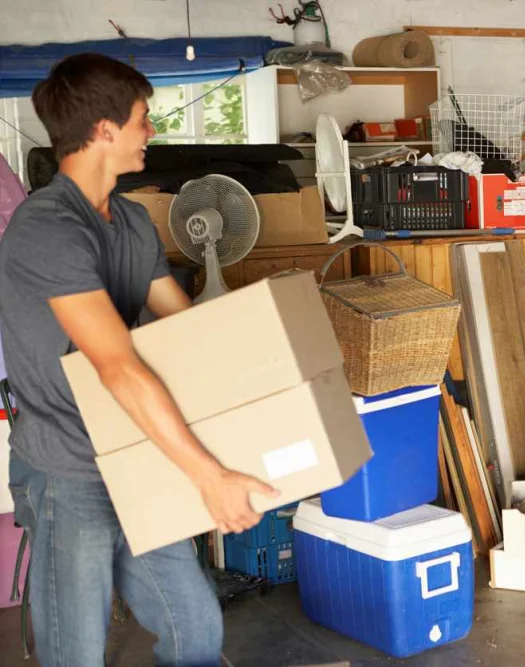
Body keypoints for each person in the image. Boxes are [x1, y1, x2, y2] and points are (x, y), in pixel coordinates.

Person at [0, 54, 278, 666]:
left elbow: (183, 324)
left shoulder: (129, 221)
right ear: (103, 129)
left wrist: (273, 379)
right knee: (76, 652)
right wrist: (211, 476)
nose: (151, 131)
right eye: (142, 119)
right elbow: (117, 365)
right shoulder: (45, 227)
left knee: (195, 630)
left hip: (140, 451)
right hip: (69, 467)